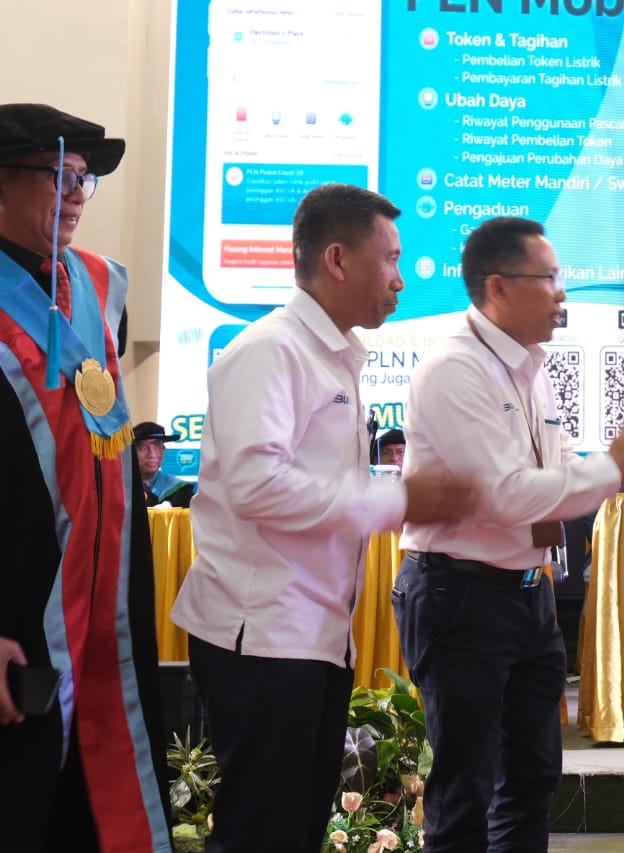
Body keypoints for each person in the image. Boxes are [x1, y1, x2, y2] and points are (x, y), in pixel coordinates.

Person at [170, 183, 476, 853]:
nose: (401, 279)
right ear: (337, 259)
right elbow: (257, 485)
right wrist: (399, 500)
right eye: (390, 258)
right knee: (261, 833)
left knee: (297, 830)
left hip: (314, 638)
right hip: (263, 637)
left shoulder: (330, 356)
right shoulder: (271, 350)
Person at [392, 216, 624, 851]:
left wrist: (609, 468)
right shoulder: (455, 370)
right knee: (465, 791)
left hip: (528, 593)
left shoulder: (530, 366)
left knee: (531, 778)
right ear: (497, 286)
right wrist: (615, 468)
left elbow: (548, 469)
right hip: (459, 593)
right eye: (549, 278)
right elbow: (505, 495)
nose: (562, 292)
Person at [0, 103, 172, 850]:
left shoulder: (101, 284)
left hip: (106, 601)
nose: (75, 195)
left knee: (94, 806)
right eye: (57, 176)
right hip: (21, 601)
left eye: (83, 179)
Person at [134, 420, 195, 507]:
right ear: (131, 452)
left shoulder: (181, 491)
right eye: (144, 448)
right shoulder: (120, 488)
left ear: (164, 450)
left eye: (158, 447)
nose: (152, 455)